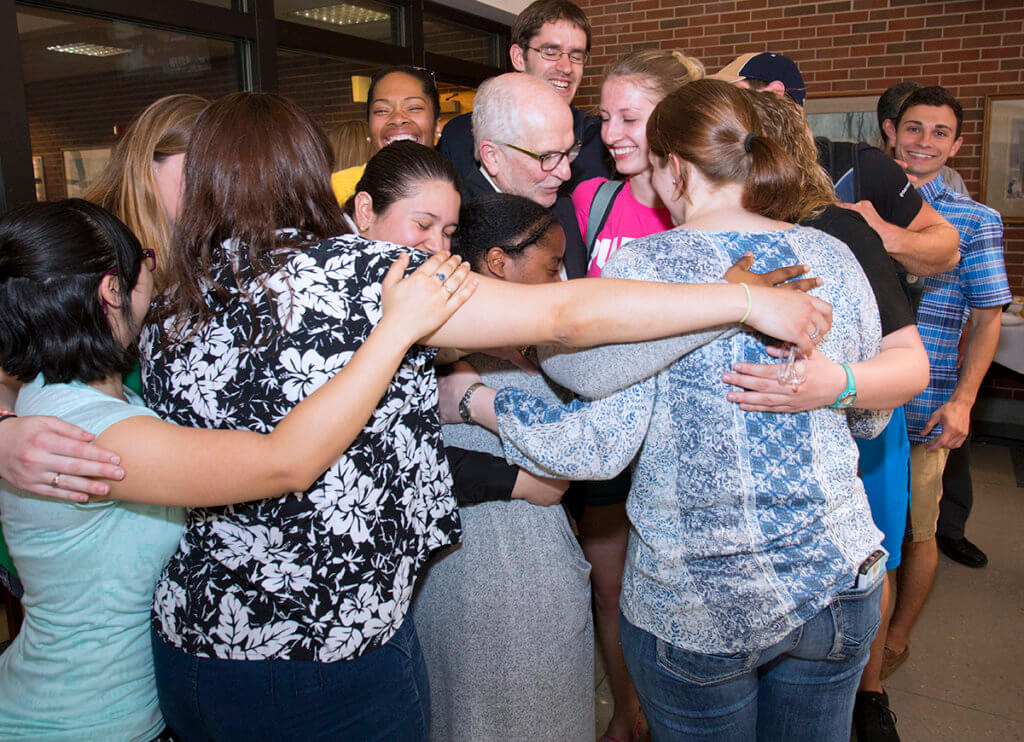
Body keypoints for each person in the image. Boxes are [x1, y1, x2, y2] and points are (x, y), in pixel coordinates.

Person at [139, 91, 833, 740]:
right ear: (309, 172)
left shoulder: (172, 303)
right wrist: (734, 299)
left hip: (195, 637)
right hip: (327, 645)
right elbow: (564, 313)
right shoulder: (365, 278)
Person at [456, 79, 920, 741]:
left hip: (697, 602)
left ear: (673, 166)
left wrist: (474, 399)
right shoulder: (833, 256)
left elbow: (594, 433)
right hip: (835, 580)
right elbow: (870, 418)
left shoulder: (645, 267)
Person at [0, 197, 476, 741]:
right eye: (146, 265)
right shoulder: (94, 438)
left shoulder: (49, 394)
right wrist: (395, 330)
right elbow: (286, 462)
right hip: (78, 724)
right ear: (112, 292)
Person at [413, 193, 593, 741]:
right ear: (496, 263)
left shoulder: (434, 343)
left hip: (452, 578)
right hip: (515, 581)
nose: (561, 283)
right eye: (552, 266)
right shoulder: (472, 353)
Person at [0, 95, 210, 503]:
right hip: (66, 508)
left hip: (151, 494)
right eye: (200, 170)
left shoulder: (204, 250)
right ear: (149, 163)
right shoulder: (81, 247)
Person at [883, 86, 1011, 691]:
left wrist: (963, 400)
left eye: (939, 133)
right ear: (891, 133)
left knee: (920, 530)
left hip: (926, 409)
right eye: (913, 128)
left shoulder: (976, 222)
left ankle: (898, 637)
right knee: (865, 537)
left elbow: (988, 316)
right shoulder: (858, 207)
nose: (924, 142)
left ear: (956, 145)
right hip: (855, 405)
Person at [711, 51, 960, 278]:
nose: (721, 106)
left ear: (774, 93)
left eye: (733, 94)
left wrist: (883, 235)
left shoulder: (856, 165)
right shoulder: (720, 172)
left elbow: (947, 248)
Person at [437, 0, 608, 191]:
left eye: (576, 55)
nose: (566, 67)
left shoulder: (601, 143)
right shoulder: (460, 136)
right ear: (519, 58)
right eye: (550, 52)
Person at [461, 72, 593, 278]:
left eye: (568, 152)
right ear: (492, 156)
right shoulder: (454, 228)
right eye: (547, 156)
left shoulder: (562, 207)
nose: (566, 173)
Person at [330, 65, 442, 204]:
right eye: (382, 110)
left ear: (437, 126)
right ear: (369, 127)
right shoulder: (336, 191)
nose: (398, 119)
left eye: (414, 108)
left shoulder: (456, 189)